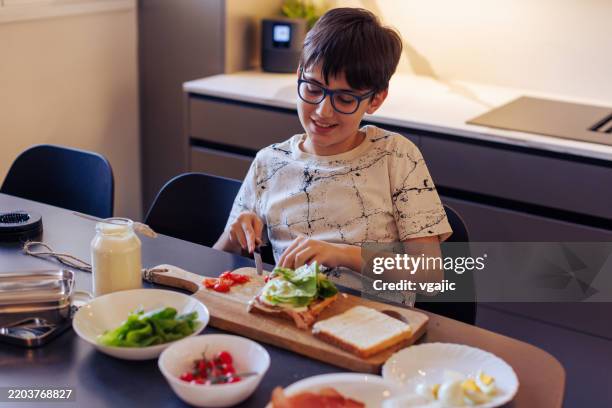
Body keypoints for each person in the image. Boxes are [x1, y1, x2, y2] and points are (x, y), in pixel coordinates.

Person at [214, 7, 451, 295]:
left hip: (376, 326)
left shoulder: (396, 157)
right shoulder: (269, 162)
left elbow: (430, 279)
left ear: (375, 100)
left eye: (345, 98)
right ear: (299, 74)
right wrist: (234, 234)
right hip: (291, 319)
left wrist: (344, 254)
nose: (323, 111)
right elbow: (218, 256)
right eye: (313, 89)